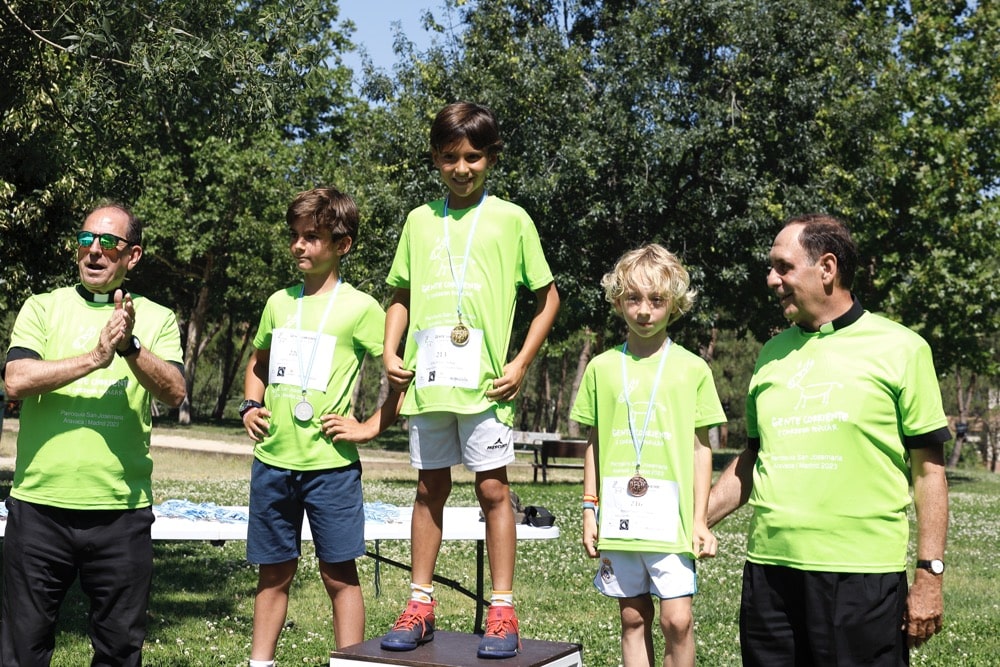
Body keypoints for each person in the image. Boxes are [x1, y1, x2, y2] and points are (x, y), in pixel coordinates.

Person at [707, 214, 951, 666]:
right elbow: (754, 458)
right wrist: (691, 522)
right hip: (769, 575)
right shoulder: (771, 354)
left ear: (827, 268)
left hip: (860, 578)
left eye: (783, 267)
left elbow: (929, 473)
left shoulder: (902, 349)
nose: (771, 279)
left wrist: (929, 574)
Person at [379, 102, 560, 659]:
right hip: (430, 381)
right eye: (451, 157)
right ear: (436, 158)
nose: (462, 168)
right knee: (428, 489)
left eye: (474, 157)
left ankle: (502, 611)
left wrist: (520, 363)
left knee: (492, 490)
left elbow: (548, 297)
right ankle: (420, 604)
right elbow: (401, 294)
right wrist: (389, 349)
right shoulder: (419, 220)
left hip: (485, 386)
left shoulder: (512, 219)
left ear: (492, 158)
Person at [1, 203, 186, 665]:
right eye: (86, 240)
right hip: (39, 509)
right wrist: (95, 357)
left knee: (119, 651)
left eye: (108, 243)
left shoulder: (157, 317)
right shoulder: (43, 307)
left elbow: (175, 391)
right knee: (21, 649)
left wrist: (130, 347)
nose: (95, 251)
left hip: (121, 514)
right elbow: (16, 380)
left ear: (133, 256)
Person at [241, 187, 404, 666]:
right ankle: (259, 663)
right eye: (295, 235)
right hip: (272, 462)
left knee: (338, 574)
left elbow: (400, 375)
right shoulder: (279, 302)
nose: (299, 245)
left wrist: (370, 427)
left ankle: (350, 662)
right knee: (273, 573)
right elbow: (258, 361)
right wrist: (250, 405)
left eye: (311, 237)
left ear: (342, 244)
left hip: (331, 467)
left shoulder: (361, 307)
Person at [570, 244, 725, 667]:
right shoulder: (601, 367)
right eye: (633, 298)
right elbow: (595, 443)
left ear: (674, 303)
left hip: (670, 520)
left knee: (678, 620)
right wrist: (589, 510)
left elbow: (700, 448)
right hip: (620, 516)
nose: (644, 310)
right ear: (617, 301)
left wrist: (699, 520)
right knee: (633, 616)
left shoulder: (693, 368)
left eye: (656, 300)